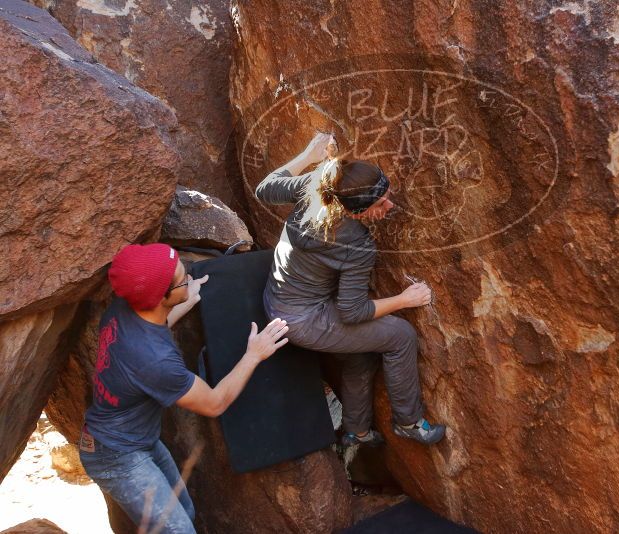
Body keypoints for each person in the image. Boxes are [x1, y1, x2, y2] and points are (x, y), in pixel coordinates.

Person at [79, 243, 289, 534]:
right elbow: (214, 403)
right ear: (161, 297)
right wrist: (254, 354)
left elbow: (155, 330)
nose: (189, 277)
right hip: (117, 454)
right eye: (182, 280)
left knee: (184, 513)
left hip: (130, 438)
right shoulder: (156, 363)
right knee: (179, 531)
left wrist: (187, 298)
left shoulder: (124, 308)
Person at [255, 132, 446, 446]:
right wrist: (403, 299)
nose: (390, 204)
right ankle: (409, 422)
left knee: (359, 352)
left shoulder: (316, 187)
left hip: (280, 300)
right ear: (356, 213)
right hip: (306, 320)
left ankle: (356, 432)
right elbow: (353, 312)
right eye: (380, 203)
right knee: (400, 335)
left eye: (386, 193)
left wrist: (309, 156)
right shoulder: (355, 243)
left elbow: (265, 189)